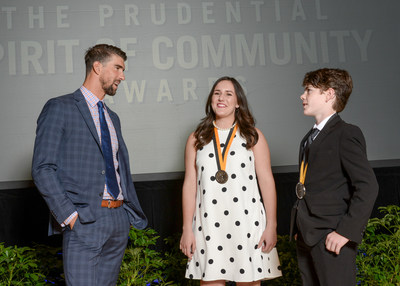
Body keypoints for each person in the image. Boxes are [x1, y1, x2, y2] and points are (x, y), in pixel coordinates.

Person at [32, 44, 147, 286]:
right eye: (117, 68)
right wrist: (70, 216)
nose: (122, 76)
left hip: (117, 221)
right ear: (97, 66)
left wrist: (125, 216)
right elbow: (43, 168)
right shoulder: (59, 107)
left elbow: (117, 169)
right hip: (84, 221)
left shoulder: (112, 117)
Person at [180, 76, 282, 285]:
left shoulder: (253, 136)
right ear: (210, 99)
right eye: (217, 93)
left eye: (228, 94)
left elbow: (267, 182)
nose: (221, 98)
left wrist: (271, 224)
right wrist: (186, 229)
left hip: (247, 222)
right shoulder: (196, 138)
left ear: (238, 102)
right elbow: (190, 185)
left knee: (249, 281)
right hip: (208, 224)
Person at [290, 68, 379, 285]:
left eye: (309, 90)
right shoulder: (308, 138)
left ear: (329, 94)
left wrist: (344, 232)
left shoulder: (346, 133)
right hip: (306, 235)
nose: (303, 96)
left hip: (331, 237)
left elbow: (368, 186)